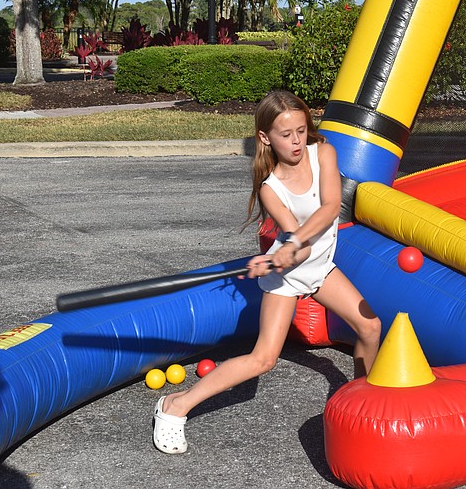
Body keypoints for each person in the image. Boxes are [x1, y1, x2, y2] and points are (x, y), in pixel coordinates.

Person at [152, 90, 382, 454]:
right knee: (263, 359)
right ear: (265, 137)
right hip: (287, 274)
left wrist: (292, 245)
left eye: (301, 131)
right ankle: (174, 406)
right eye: (286, 135)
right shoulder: (270, 189)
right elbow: (298, 247)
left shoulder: (323, 153)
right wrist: (280, 255)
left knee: (369, 326)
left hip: (319, 266)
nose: (296, 141)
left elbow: (330, 208)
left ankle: (361, 400)